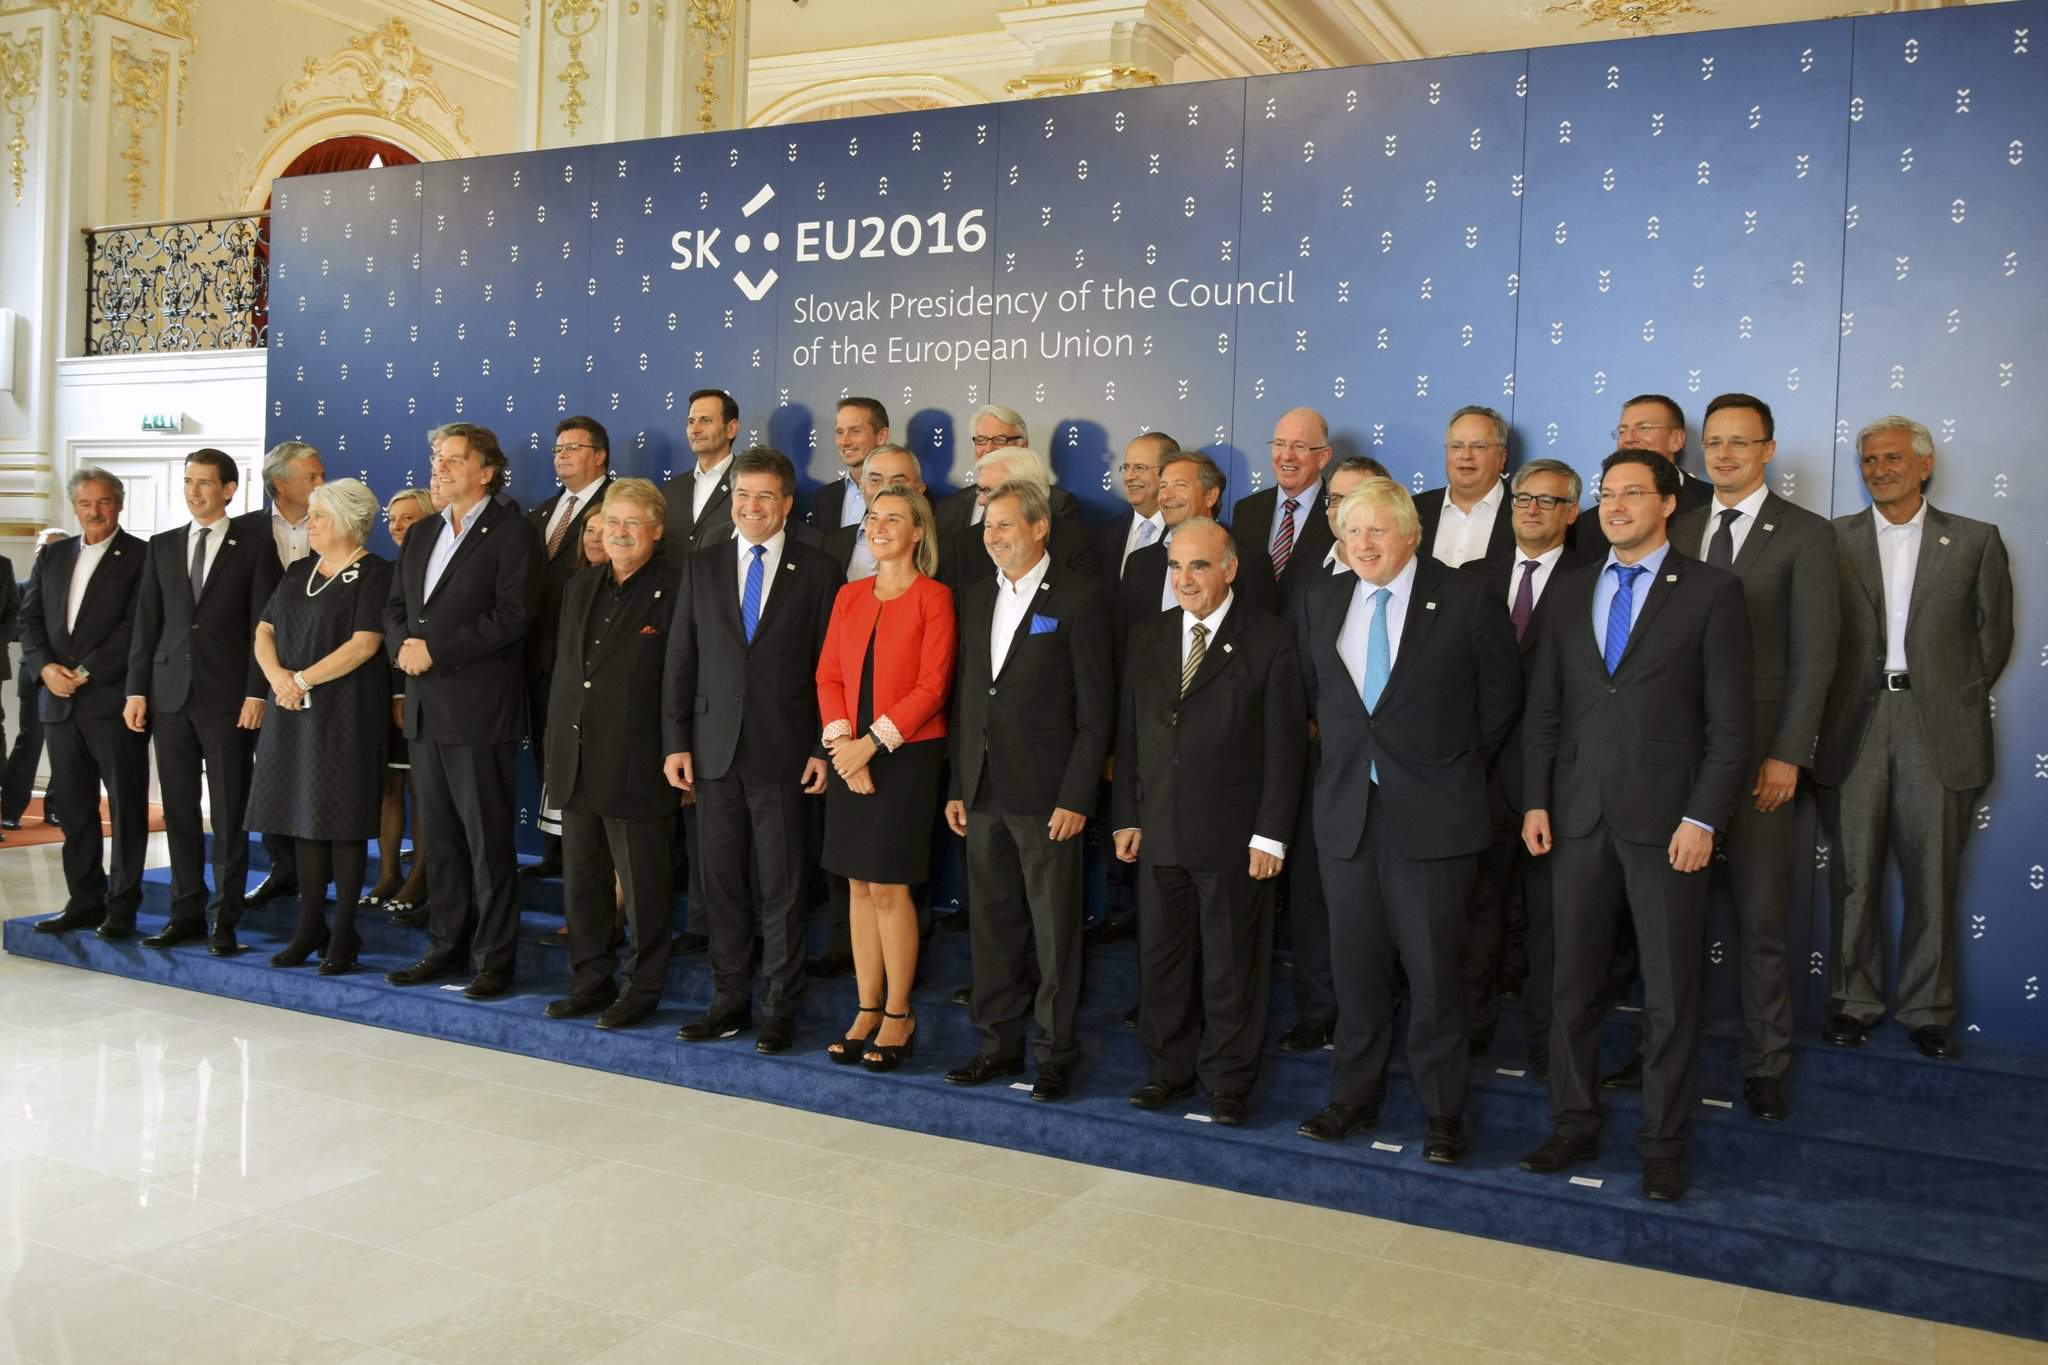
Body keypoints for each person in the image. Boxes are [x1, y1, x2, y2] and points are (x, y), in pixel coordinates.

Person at [1519, 449, 1752, 1202]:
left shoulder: (1713, 592)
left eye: (1631, 493)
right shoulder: (1570, 589)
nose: (1614, 506)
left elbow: (1731, 726)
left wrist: (1703, 816)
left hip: (1669, 823)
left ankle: (1662, 1145)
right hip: (1576, 816)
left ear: (1669, 503)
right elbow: (1544, 709)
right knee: (1571, 985)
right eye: (1606, 494)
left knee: (1671, 995)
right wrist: (1535, 800)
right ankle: (1572, 1122)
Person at [1294, 479, 1521, 1160]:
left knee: (1435, 976)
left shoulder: (1466, 596)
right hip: (1347, 816)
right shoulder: (1321, 597)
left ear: (1412, 534)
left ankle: (1443, 1114)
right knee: (1354, 970)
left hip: (1434, 817)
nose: (1362, 544)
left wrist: (1445, 765)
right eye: (1351, 531)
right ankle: (1352, 1098)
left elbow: (1500, 700)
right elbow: (1320, 699)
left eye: (1377, 530)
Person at [1657, 393, 1839, 1119]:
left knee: (1763, 918)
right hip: (1677, 759)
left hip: (1762, 757)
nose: (1725, 454)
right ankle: (1663, 1053)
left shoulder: (1806, 534)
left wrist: (1789, 753)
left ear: (1768, 449)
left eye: (1740, 441)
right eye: (1714, 442)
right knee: (1669, 921)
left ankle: (1767, 1063)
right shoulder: (1679, 525)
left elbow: (1815, 657)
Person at [1813, 416, 2013, 1062]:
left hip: (1938, 727)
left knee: (1934, 877)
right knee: (1854, 875)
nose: (1879, 469)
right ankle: (1853, 1001)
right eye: (1869, 460)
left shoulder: (1976, 540)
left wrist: (1946, 694)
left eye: (1893, 458)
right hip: (1854, 723)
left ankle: (1929, 1011)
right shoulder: (1831, 540)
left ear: (1924, 465)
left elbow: (1993, 639)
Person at [1112, 518, 1304, 1126]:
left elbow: (1284, 750)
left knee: (1231, 967)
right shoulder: (1147, 636)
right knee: (1162, 962)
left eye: (1198, 565)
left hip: (1234, 837)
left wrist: (1270, 834)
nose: (1185, 578)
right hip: (1160, 829)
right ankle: (1166, 1072)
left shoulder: (1269, 639)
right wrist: (1126, 816)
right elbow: (1131, 735)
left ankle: (1227, 1081)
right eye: (1176, 566)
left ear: (1230, 569)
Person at [942, 479, 1114, 1101]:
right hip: (983, 791)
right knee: (992, 926)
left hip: (1048, 798)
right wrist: (960, 783)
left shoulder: (1080, 597)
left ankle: (1055, 1053)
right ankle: (996, 1044)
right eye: (988, 526)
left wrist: (1076, 796)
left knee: (1054, 931)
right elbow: (969, 698)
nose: (992, 536)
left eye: (1005, 525)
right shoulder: (974, 596)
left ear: (1040, 528)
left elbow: (1096, 713)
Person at [663, 448, 840, 1050]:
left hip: (785, 752)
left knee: (783, 887)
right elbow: (681, 658)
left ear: (787, 503)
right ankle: (728, 1001)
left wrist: (821, 745)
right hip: (712, 751)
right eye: (742, 495)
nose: (751, 506)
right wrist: (675, 742)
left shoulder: (819, 569)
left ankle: (780, 1008)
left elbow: (831, 667)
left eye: (765, 496)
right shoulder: (703, 564)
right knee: (721, 884)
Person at [383, 423, 542, 998]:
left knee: (487, 842)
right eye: (436, 457)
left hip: (479, 712)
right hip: (426, 711)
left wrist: (436, 651)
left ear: (486, 471)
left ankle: (494, 960)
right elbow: (395, 606)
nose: (440, 467)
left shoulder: (513, 532)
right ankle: (443, 948)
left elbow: (513, 615)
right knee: (440, 840)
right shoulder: (424, 530)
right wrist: (403, 648)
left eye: (453, 459)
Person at [1459, 459, 1594, 1076]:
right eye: (1523, 499)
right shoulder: (1471, 577)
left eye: (1548, 501)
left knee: (1554, 924)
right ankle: (1472, 1032)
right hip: (1480, 775)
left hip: (1559, 780)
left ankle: (1548, 1045)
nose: (1532, 510)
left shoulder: (1594, 582)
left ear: (1572, 512)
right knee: (1477, 913)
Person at [815, 483, 956, 1071]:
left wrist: (869, 748)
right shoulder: (849, 595)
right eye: (873, 516)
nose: (878, 526)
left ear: (918, 531)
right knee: (857, 886)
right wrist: (843, 747)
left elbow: (933, 686)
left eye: (893, 518)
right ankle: (866, 1007)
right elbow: (828, 676)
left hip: (906, 758)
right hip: (849, 753)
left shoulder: (934, 597)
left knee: (890, 889)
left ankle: (899, 1012)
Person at [123, 449, 282, 955]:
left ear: (229, 490)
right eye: (189, 482)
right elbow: (147, 624)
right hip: (169, 697)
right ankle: (185, 912)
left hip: (229, 699)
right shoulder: (163, 545)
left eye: (205, 483)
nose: (194, 492)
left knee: (229, 814)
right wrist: (136, 689)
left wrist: (257, 691)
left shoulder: (255, 546)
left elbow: (263, 625)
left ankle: (224, 920)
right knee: (179, 810)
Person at [537, 479, 683, 1029]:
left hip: (639, 762)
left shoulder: (679, 588)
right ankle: (589, 981)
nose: (617, 534)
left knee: (643, 889)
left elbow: (682, 679)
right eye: (609, 524)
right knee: (583, 883)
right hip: (574, 760)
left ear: (657, 530)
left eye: (631, 524)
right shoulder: (580, 586)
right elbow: (568, 674)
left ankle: (642, 989)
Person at [244, 479, 394, 973]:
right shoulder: (299, 570)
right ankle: (310, 927)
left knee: (343, 824)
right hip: (292, 709)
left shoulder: (376, 573)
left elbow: (365, 644)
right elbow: (264, 629)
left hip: (346, 712)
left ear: (349, 522)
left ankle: (344, 934)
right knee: (302, 821)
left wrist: (301, 680)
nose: (309, 523)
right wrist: (277, 679)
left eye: (320, 516)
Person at [22, 469, 150, 938]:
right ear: (74, 507)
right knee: (75, 809)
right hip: (58, 703)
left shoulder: (142, 555)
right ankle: (83, 901)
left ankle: (122, 907)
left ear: (119, 504)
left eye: (104, 502)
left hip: (112, 702)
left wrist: (87, 671)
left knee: (126, 808)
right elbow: (30, 619)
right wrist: (44, 668)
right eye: (85, 503)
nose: (95, 512)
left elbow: (137, 625)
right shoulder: (54, 555)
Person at [522, 416, 616, 880]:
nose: (561, 454)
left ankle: (595, 860)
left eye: (572, 447)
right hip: (542, 660)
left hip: (593, 660)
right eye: (557, 448)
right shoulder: (542, 512)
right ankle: (554, 850)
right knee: (551, 754)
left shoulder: (615, 504)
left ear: (599, 455)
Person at [250, 439, 327, 908]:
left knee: (311, 775)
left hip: (317, 675)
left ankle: (316, 872)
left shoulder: (335, 528)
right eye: (311, 476)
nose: (321, 482)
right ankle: (281, 868)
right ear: (280, 482)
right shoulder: (245, 532)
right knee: (267, 779)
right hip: (256, 674)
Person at [1116, 451, 1276, 641]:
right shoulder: (1138, 563)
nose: (1166, 495)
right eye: (1163, 486)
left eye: (1180, 485)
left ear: (1211, 496)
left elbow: (1262, 638)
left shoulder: (1249, 562)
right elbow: (1126, 639)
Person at [369, 488, 437, 923]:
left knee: (422, 789)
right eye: (392, 519)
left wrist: (404, 691)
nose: (396, 527)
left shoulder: (437, 570)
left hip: (426, 693)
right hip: (384, 692)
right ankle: (388, 874)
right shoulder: (387, 571)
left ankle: (421, 878)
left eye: (407, 518)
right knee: (389, 787)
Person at [937, 436, 1096, 592]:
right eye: (980, 489)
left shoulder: (1074, 545)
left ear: (1028, 492)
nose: (981, 501)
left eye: (990, 491)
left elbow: (1081, 603)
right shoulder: (964, 545)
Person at [1231, 407, 1336, 607]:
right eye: (1279, 444)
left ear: (1323, 457)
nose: (1287, 456)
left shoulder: (1339, 511)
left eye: (1299, 446)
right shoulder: (1246, 510)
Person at [2, 528, 67, 832]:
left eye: (48, 548)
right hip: (34, 676)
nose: (41, 552)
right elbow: (16, 629)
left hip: (70, 676)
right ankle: (11, 810)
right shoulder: (21, 587)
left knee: (65, 747)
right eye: (39, 547)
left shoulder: (77, 586)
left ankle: (56, 808)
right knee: (30, 741)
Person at [1416, 405, 1514, 568]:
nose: (1466, 455)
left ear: (1502, 457)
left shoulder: (1524, 511)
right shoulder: (1413, 509)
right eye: (1457, 446)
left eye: (1478, 446)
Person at [823, 443, 923, 584]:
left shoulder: (943, 547)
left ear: (919, 490)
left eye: (898, 482)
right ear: (861, 486)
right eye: (875, 480)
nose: (886, 489)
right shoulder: (830, 544)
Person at [661, 388, 739, 552]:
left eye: (705, 420)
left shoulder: (748, 485)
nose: (695, 430)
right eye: (691, 422)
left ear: (731, 429)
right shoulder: (672, 489)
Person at [1093, 432, 1176, 583]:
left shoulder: (1186, 532)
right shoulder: (1105, 535)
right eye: (1126, 467)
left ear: (1168, 472)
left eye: (1140, 468)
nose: (1129, 477)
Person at [1614, 393, 1712, 516]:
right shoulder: (1597, 519)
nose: (1628, 438)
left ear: (1676, 440)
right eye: (1622, 431)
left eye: (1644, 428)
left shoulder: (1714, 503)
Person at [811, 397, 889, 532]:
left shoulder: (899, 492)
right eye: (840, 432)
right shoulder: (824, 497)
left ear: (881, 436)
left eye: (855, 431)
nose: (845, 442)